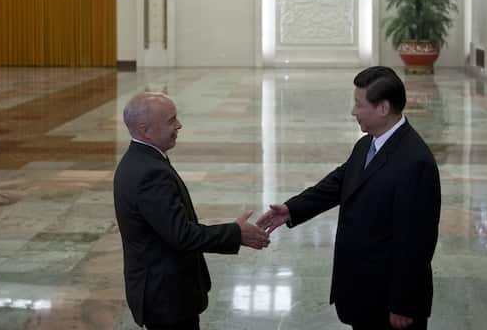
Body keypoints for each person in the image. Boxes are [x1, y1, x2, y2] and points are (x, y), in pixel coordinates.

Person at [257, 66, 441, 330]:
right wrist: (291, 209)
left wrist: (404, 303)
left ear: (383, 108)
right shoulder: (368, 143)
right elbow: (338, 182)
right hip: (363, 293)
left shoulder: (415, 162)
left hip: (389, 302)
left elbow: (416, 243)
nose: (353, 112)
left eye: (359, 104)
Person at [114, 92, 270, 330]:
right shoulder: (149, 173)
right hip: (166, 297)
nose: (179, 125)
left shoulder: (141, 160)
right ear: (145, 130)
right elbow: (181, 235)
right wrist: (236, 233)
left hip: (163, 292)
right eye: (171, 121)